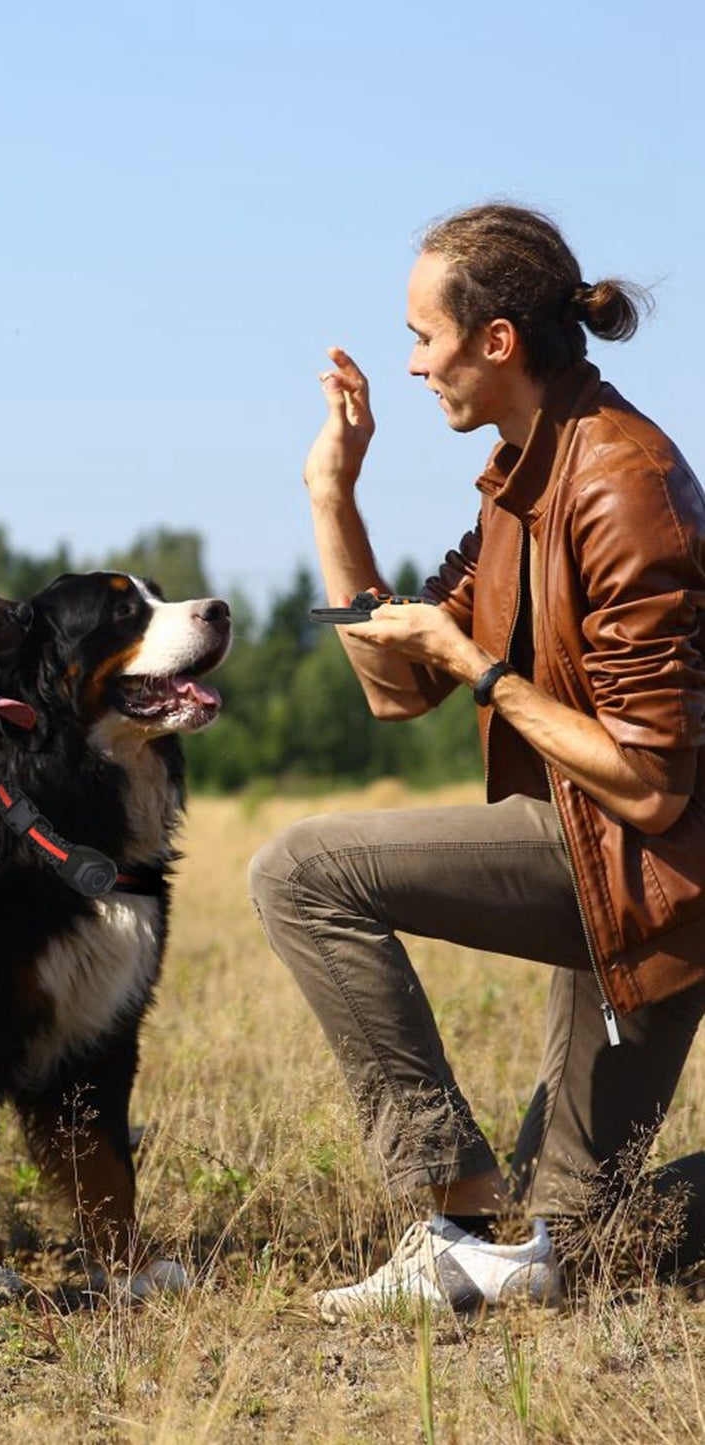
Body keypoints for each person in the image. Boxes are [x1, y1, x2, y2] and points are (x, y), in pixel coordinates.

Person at [248, 202, 705, 1321]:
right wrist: (331, 493)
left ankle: (444, 1206)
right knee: (573, 1251)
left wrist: (485, 671)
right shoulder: (520, 477)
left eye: (420, 336)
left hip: (652, 872)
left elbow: (653, 786)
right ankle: (465, 1234)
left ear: (494, 341)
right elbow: (393, 685)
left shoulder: (619, 489)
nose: (407, 363)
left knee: (297, 868)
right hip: (602, 857)